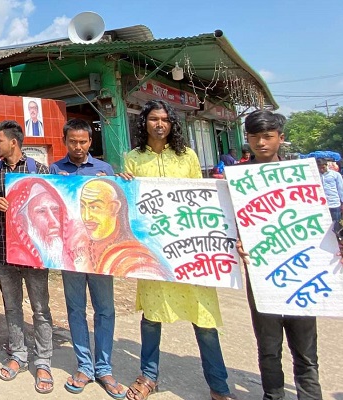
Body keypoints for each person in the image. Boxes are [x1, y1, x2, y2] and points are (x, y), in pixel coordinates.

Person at [120, 100, 235, 400]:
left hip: (190, 251)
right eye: (154, 118)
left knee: (205, 320)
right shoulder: (133, 159)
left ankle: (218, 386)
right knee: (151, 318)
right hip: (154, 250)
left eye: (165, 119)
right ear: (143, 123)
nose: (160, 124)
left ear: (173, 124)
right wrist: (124, 183)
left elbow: (200, 199)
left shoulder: (188, 157)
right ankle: (148, 377)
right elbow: (130, 205)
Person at [238, 110, 323, 400]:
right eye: (254, 137)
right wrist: (238, 242)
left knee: (306, 351)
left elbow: (317, 221)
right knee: (269, 349)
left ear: (280, 138)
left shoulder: (301, 178)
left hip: (302, 275)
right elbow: (232, 223)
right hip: (260, 274)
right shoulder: (238, 179)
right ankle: (273, 396)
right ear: (246, 138)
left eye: (267, 136)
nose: (261, 143)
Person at [44, 118, 120, 396]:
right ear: (65, 142)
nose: (78, 147)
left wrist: (117, 182)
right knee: (75, 309)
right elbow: (52, 210)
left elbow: (119, 205)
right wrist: (57, 187)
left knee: (105, 310)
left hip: (101, 253)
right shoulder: (55, 169)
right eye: (73, 141)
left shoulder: (105, 169)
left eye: (83, 141)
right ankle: (84, 366)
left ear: (91, 142)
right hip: (71, 253)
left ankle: (105, 368)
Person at [0, 120, 54, 394]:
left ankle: (44, 361)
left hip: (34, 252)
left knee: (40, 308)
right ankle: (18, 356)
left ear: (13, 142)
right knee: (12, 307)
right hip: (3, 250)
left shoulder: (39, 170)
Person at [317, 157, 343, 238]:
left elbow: (340, 189)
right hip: (322, 205)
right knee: (324, 227)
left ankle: (338, 245)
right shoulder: (316, 175)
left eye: (323, 167)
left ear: (326, 165)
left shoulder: (335, 175)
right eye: (319, 168)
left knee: (336, 227)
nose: (321, 169)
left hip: (334, 204)